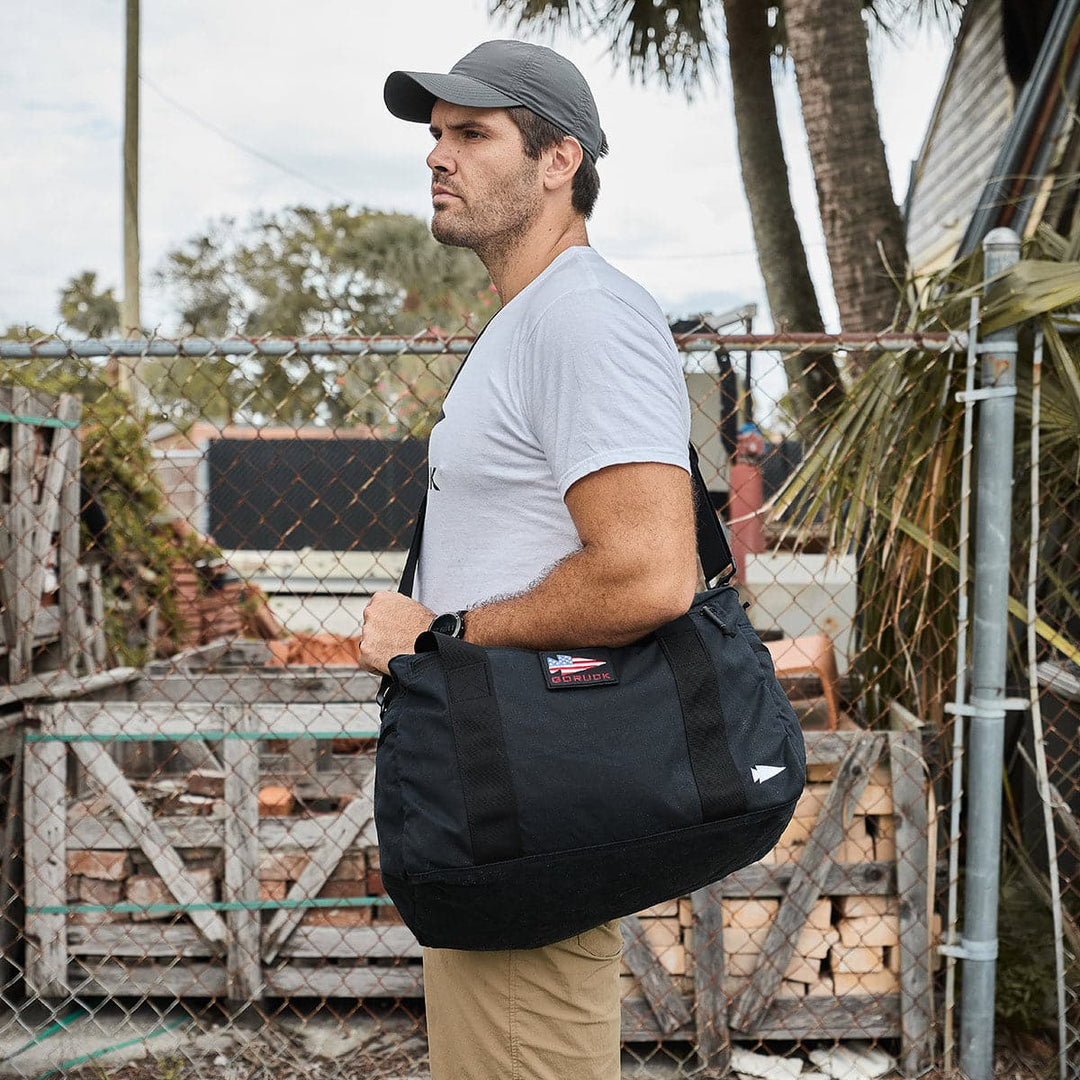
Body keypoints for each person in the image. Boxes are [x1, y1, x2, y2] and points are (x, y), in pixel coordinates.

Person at [361, 38, 699, 1080]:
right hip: (502, 795)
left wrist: (441, 636)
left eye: (473, 134)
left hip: (527, 805)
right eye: (435, 136)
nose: (438, 156)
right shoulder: (534, 320)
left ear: (559, 161)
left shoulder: (582, 317)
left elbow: (650, 573)